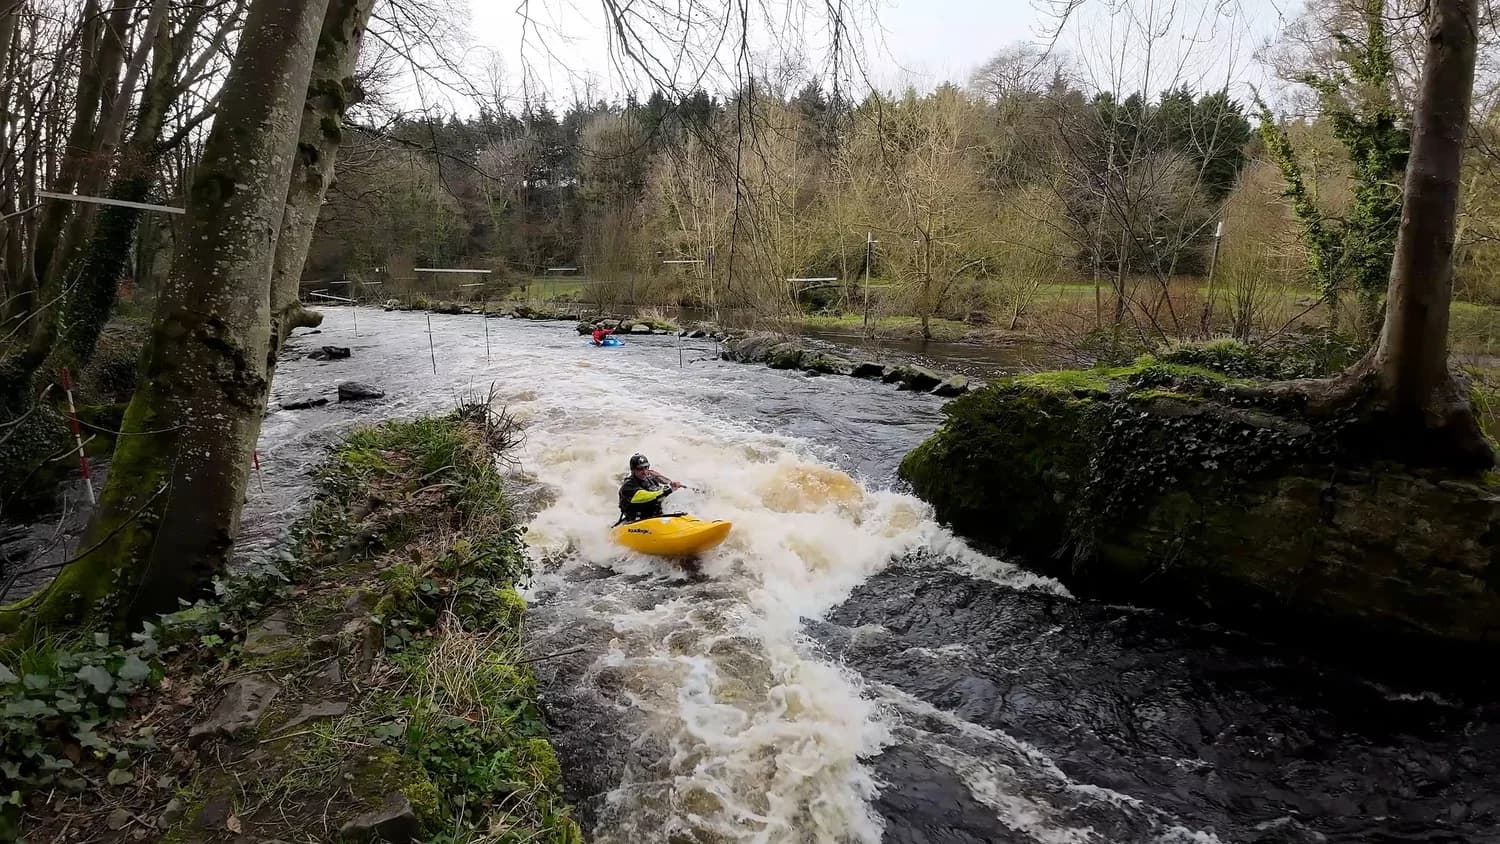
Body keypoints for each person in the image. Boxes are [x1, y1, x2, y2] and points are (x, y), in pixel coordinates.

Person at [617, 453, 681, 522]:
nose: (644, 472)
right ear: (633, 470)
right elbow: (647, 496)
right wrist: (668, 490)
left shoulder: (650, 478)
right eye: (640, 469)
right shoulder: (628, 486)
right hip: (638, 521)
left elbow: (664, 481)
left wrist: (671, 484)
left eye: (646, 467)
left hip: (656, 517)